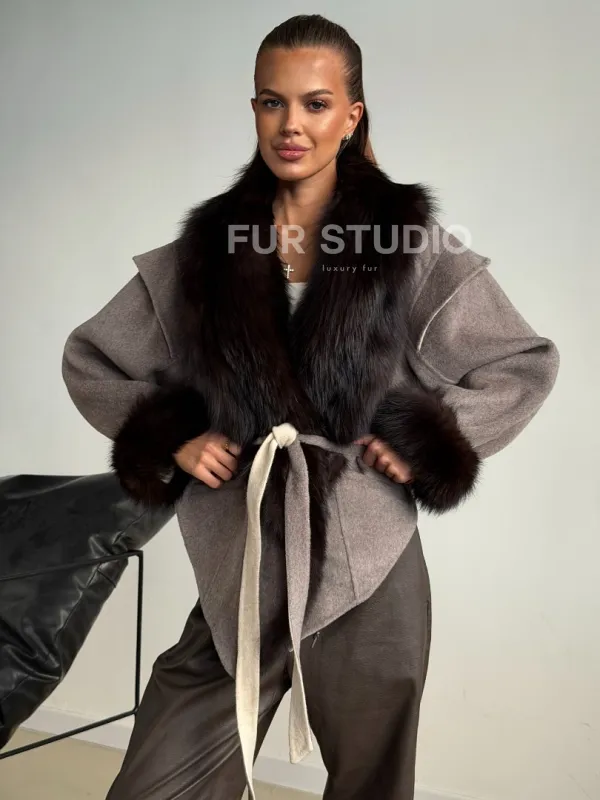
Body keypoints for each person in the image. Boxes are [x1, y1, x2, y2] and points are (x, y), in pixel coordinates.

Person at [61, 13, 559, 800]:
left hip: (371, 559)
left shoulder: (405, 243)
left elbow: (519, 362)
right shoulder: (208, 251)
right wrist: (176, 435)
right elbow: (92, 358)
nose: (291, 124)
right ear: (255, 109)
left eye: (316, 103)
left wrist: (430, 438)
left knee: (372, 783)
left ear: (351, 115)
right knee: (156, 785)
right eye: (273, 102)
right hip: (245, 557)